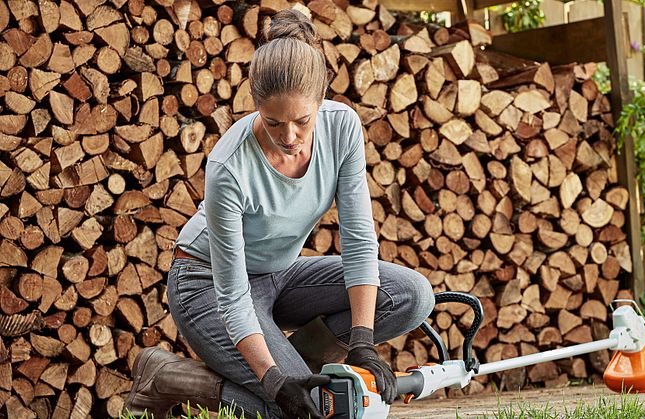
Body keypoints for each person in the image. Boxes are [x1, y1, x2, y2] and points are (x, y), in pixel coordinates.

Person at [124, 9, 435, 419]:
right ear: (255, 106)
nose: (290, 137)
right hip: (206, 282)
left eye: (302, 121)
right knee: (303, 410)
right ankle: (168, 377)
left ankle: (287, 371)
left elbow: (359, 240)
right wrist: (274, 381)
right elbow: (233, 296)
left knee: (411, 296)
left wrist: (362, 340)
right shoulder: (229, 167)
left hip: (280, 274)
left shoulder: (342, 128)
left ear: (321, 100)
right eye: (273, 122)